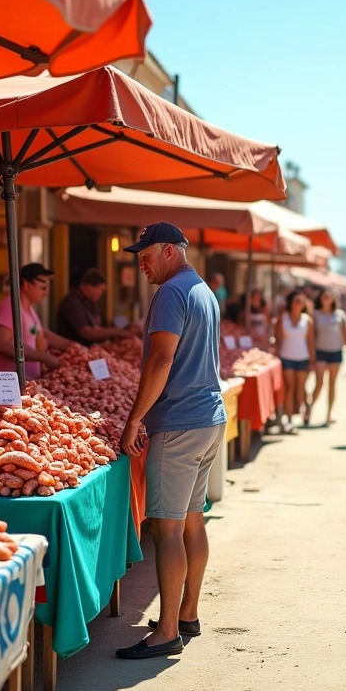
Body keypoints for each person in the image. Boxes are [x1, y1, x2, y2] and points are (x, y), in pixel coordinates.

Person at [116, 223, 225, 660]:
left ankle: (165, 632)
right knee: (193, 519)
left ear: (169, 251)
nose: (140, 263)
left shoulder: (170, 293)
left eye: (145, 254)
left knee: (166, 528)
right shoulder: (202, 289)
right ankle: (187, 614)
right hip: (209, 418)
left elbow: (161, 360)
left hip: (178, 422)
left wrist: (134, 419)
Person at [0, 263, 81, 380]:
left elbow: (43, 334)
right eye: (43, 288)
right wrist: (43, 357)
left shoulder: (29, 309)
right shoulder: (10, 306)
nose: (46, 293)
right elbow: (2, 344)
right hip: (7, 382)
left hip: (27, 381)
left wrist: (73, 346)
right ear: (27, 286)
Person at [56, 268, 135, 346]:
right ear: (88, 286)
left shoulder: (91, 302)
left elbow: (97, 327)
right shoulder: (72, 302)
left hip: (91, 349)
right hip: (73, 352)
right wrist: (118, 332)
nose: (101, 294)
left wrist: (122, 328)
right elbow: (86, 332)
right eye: (100, 290)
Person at [274, 290, 315, 433]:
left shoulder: (307, 320)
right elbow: (278, 341)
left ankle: (306, 409)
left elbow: (310, 342)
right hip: (286, 357)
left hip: (303, 357)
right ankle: (289, 420)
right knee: (289, 388)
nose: (299, 304)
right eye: (297, 300)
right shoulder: (282, 319)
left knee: (301, 388)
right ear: (291, 303)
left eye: (302, 301)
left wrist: (313, 360)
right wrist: (276, 357)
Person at [310, 289, 346, 426]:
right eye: (324, 296)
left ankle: (329, 414)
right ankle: (309, 408)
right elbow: (311, 334)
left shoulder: (340, 315)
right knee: (319, 383)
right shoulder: (315, 314)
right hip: (320, 351)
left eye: (329, 296)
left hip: (336, 351)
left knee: (332, 384)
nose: (326, 299)